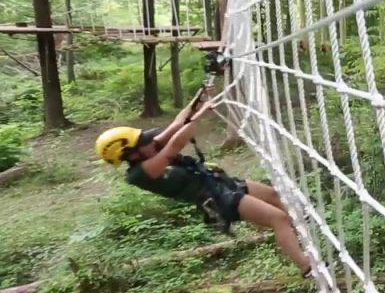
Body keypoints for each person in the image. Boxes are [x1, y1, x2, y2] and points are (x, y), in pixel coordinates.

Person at [94, 87, 312, 277]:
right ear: (131, 154)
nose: (150, 140)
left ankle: (300, 235)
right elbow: (176, 144)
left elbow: (178, 123)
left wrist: (199, 97)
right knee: (278, 218)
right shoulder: (140, 173)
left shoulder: (147, 150)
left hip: (218, 182)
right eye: (143, 142)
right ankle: (304, 265)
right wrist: (201, 115)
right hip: (215, 199)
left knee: (273, 195)